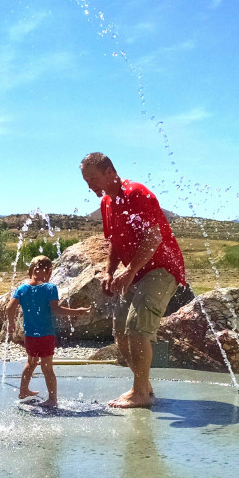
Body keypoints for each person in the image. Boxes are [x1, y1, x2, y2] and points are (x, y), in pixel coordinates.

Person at [80, 152, 186, 408]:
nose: (90, 185)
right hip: (136, 271)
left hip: (162, 269)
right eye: (86, 181)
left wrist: (128, 272)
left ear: (110, 173)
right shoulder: (107, 203)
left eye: (93, 178)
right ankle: (144, 388)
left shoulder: (137, 193)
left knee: (137, 329)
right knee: (120, 333)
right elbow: (115, 242)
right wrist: (109, 272)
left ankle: (140, 394)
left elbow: (154, 238)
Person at [6, 255, 91, 408]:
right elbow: (56, 310)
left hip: (30, 334)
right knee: (47, 367)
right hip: (46, 334)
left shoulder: (22, 288)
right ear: (48, 271)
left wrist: (11, 324)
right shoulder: (50, 288)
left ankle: (23, 391)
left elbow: (9, 308)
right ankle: (52, 399)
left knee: (31, 363)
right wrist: (77, 311)